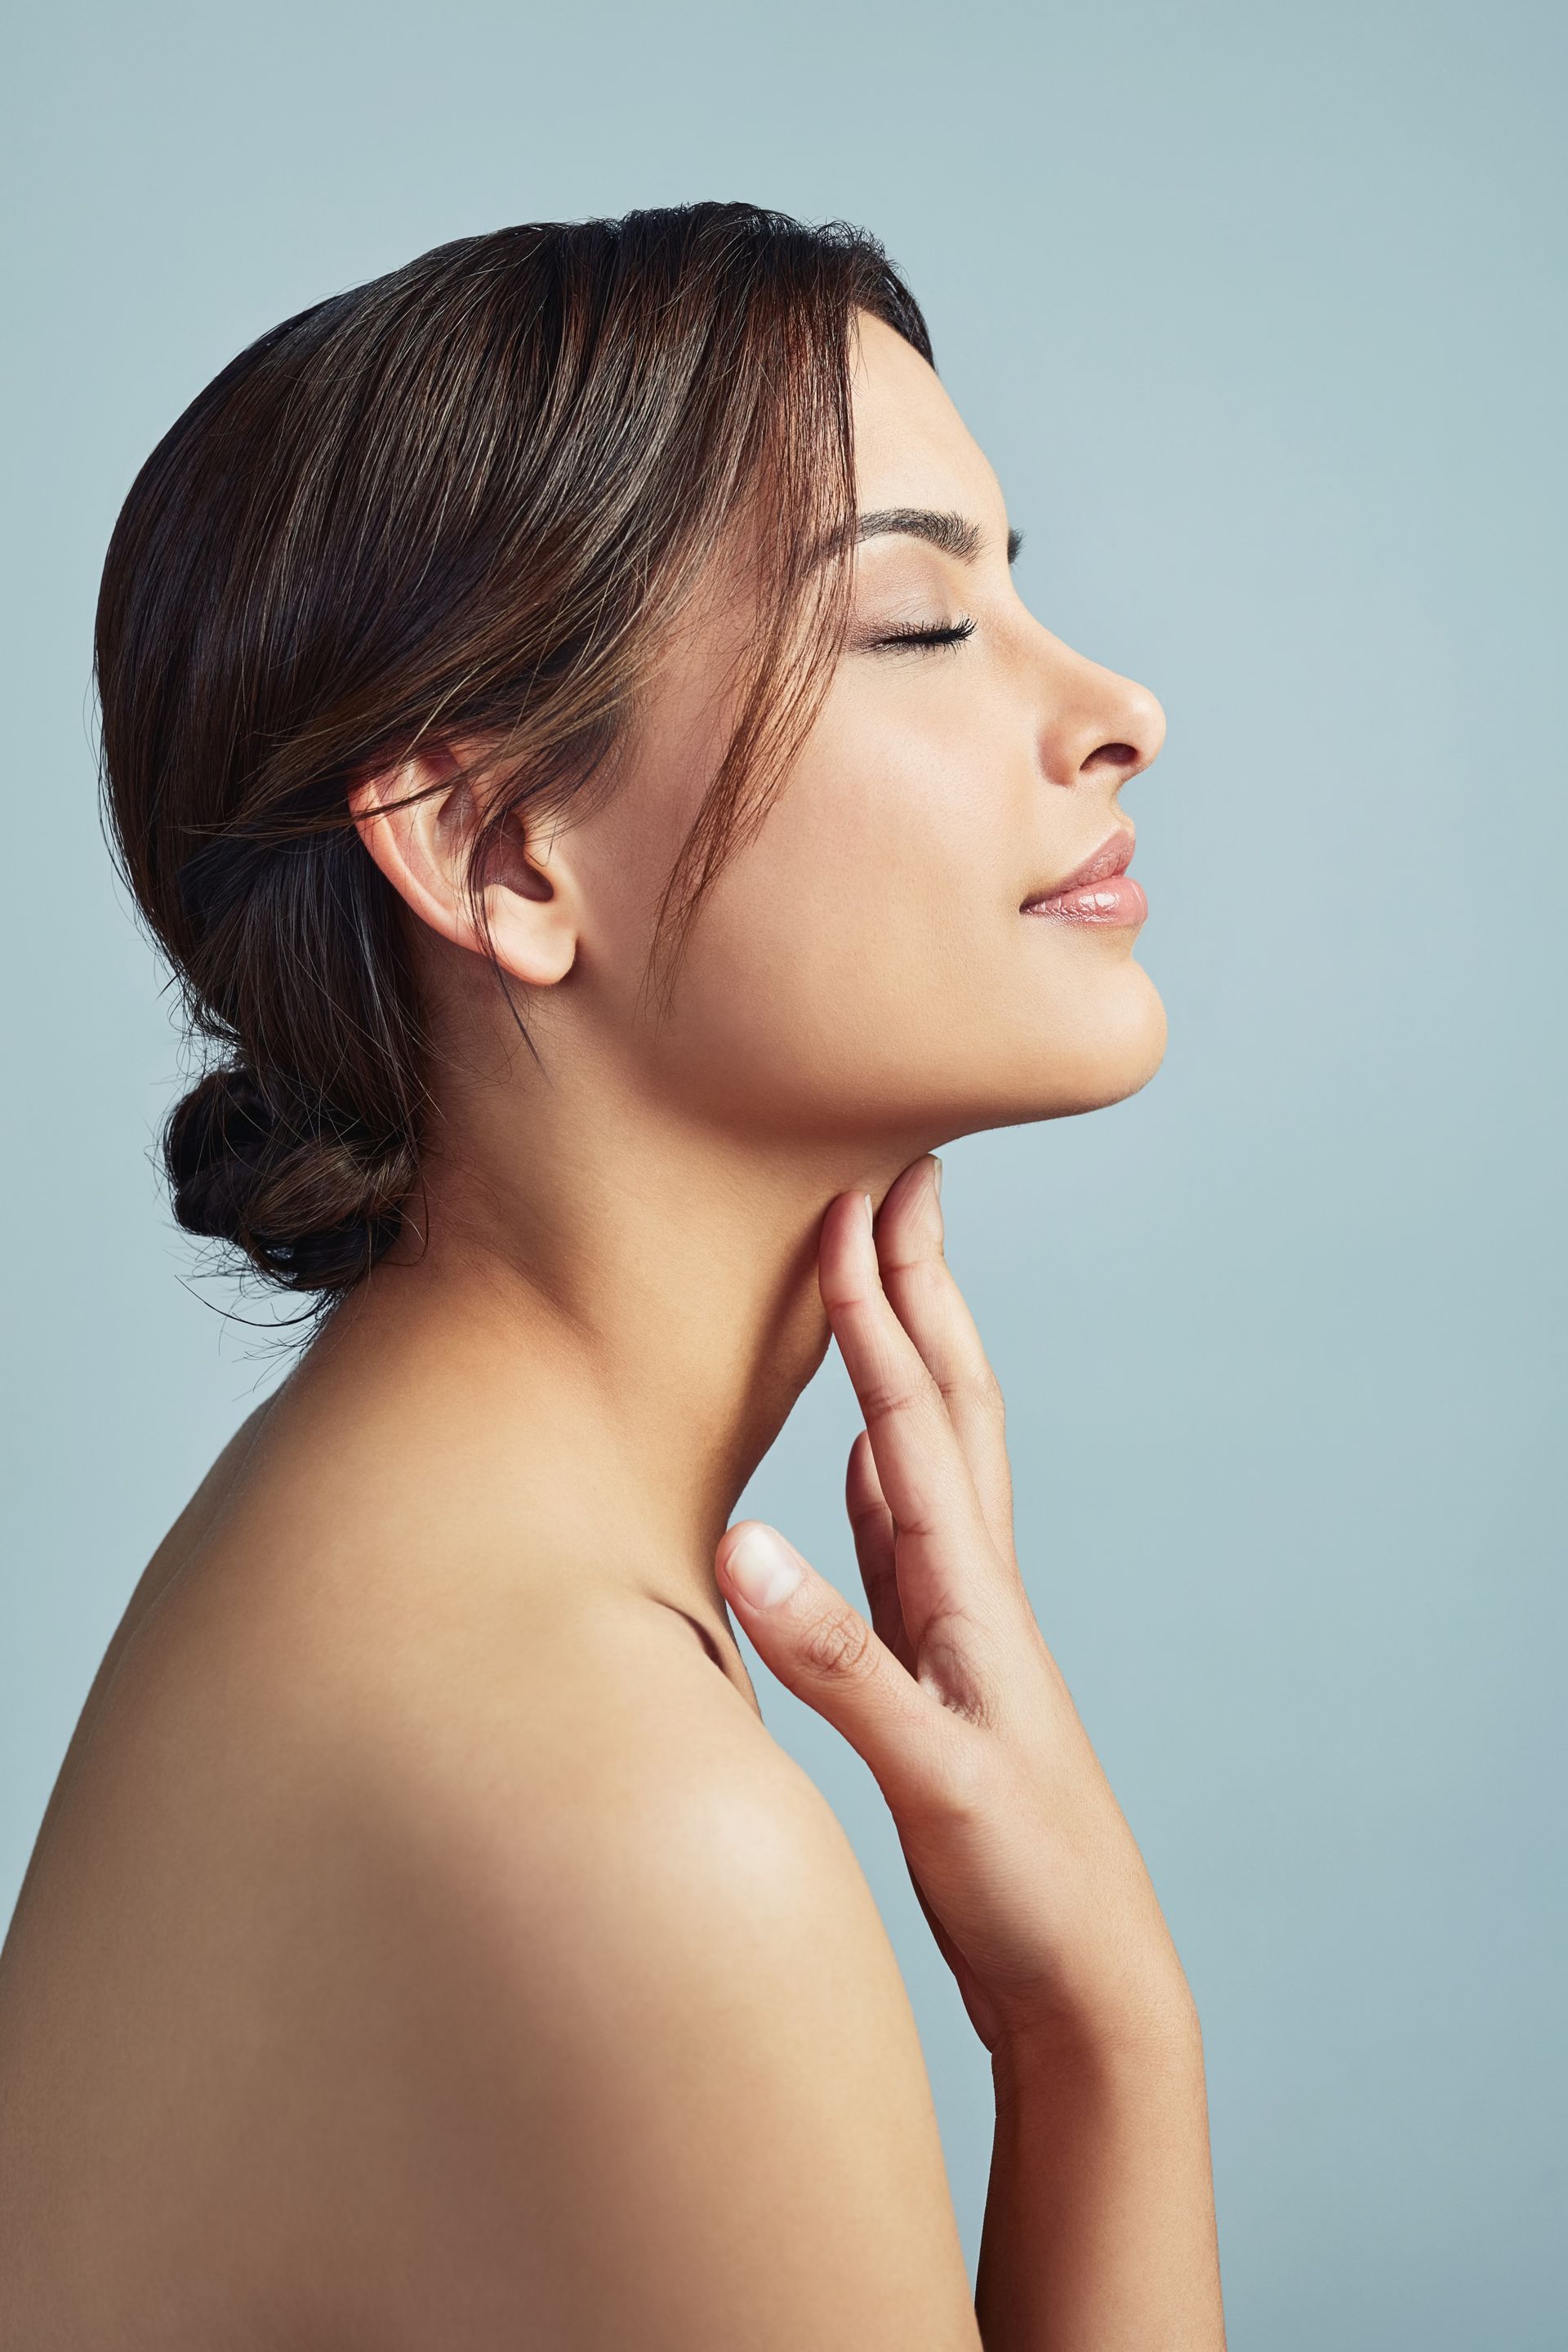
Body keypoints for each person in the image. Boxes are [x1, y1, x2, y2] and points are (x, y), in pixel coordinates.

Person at [0, 203, 1226, 2348]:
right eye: (924, 622)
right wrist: (1106, 2036)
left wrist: (1083, 2017)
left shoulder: (415, 1560)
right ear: (495, 851)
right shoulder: (607, 1813)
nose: (1118, 708)